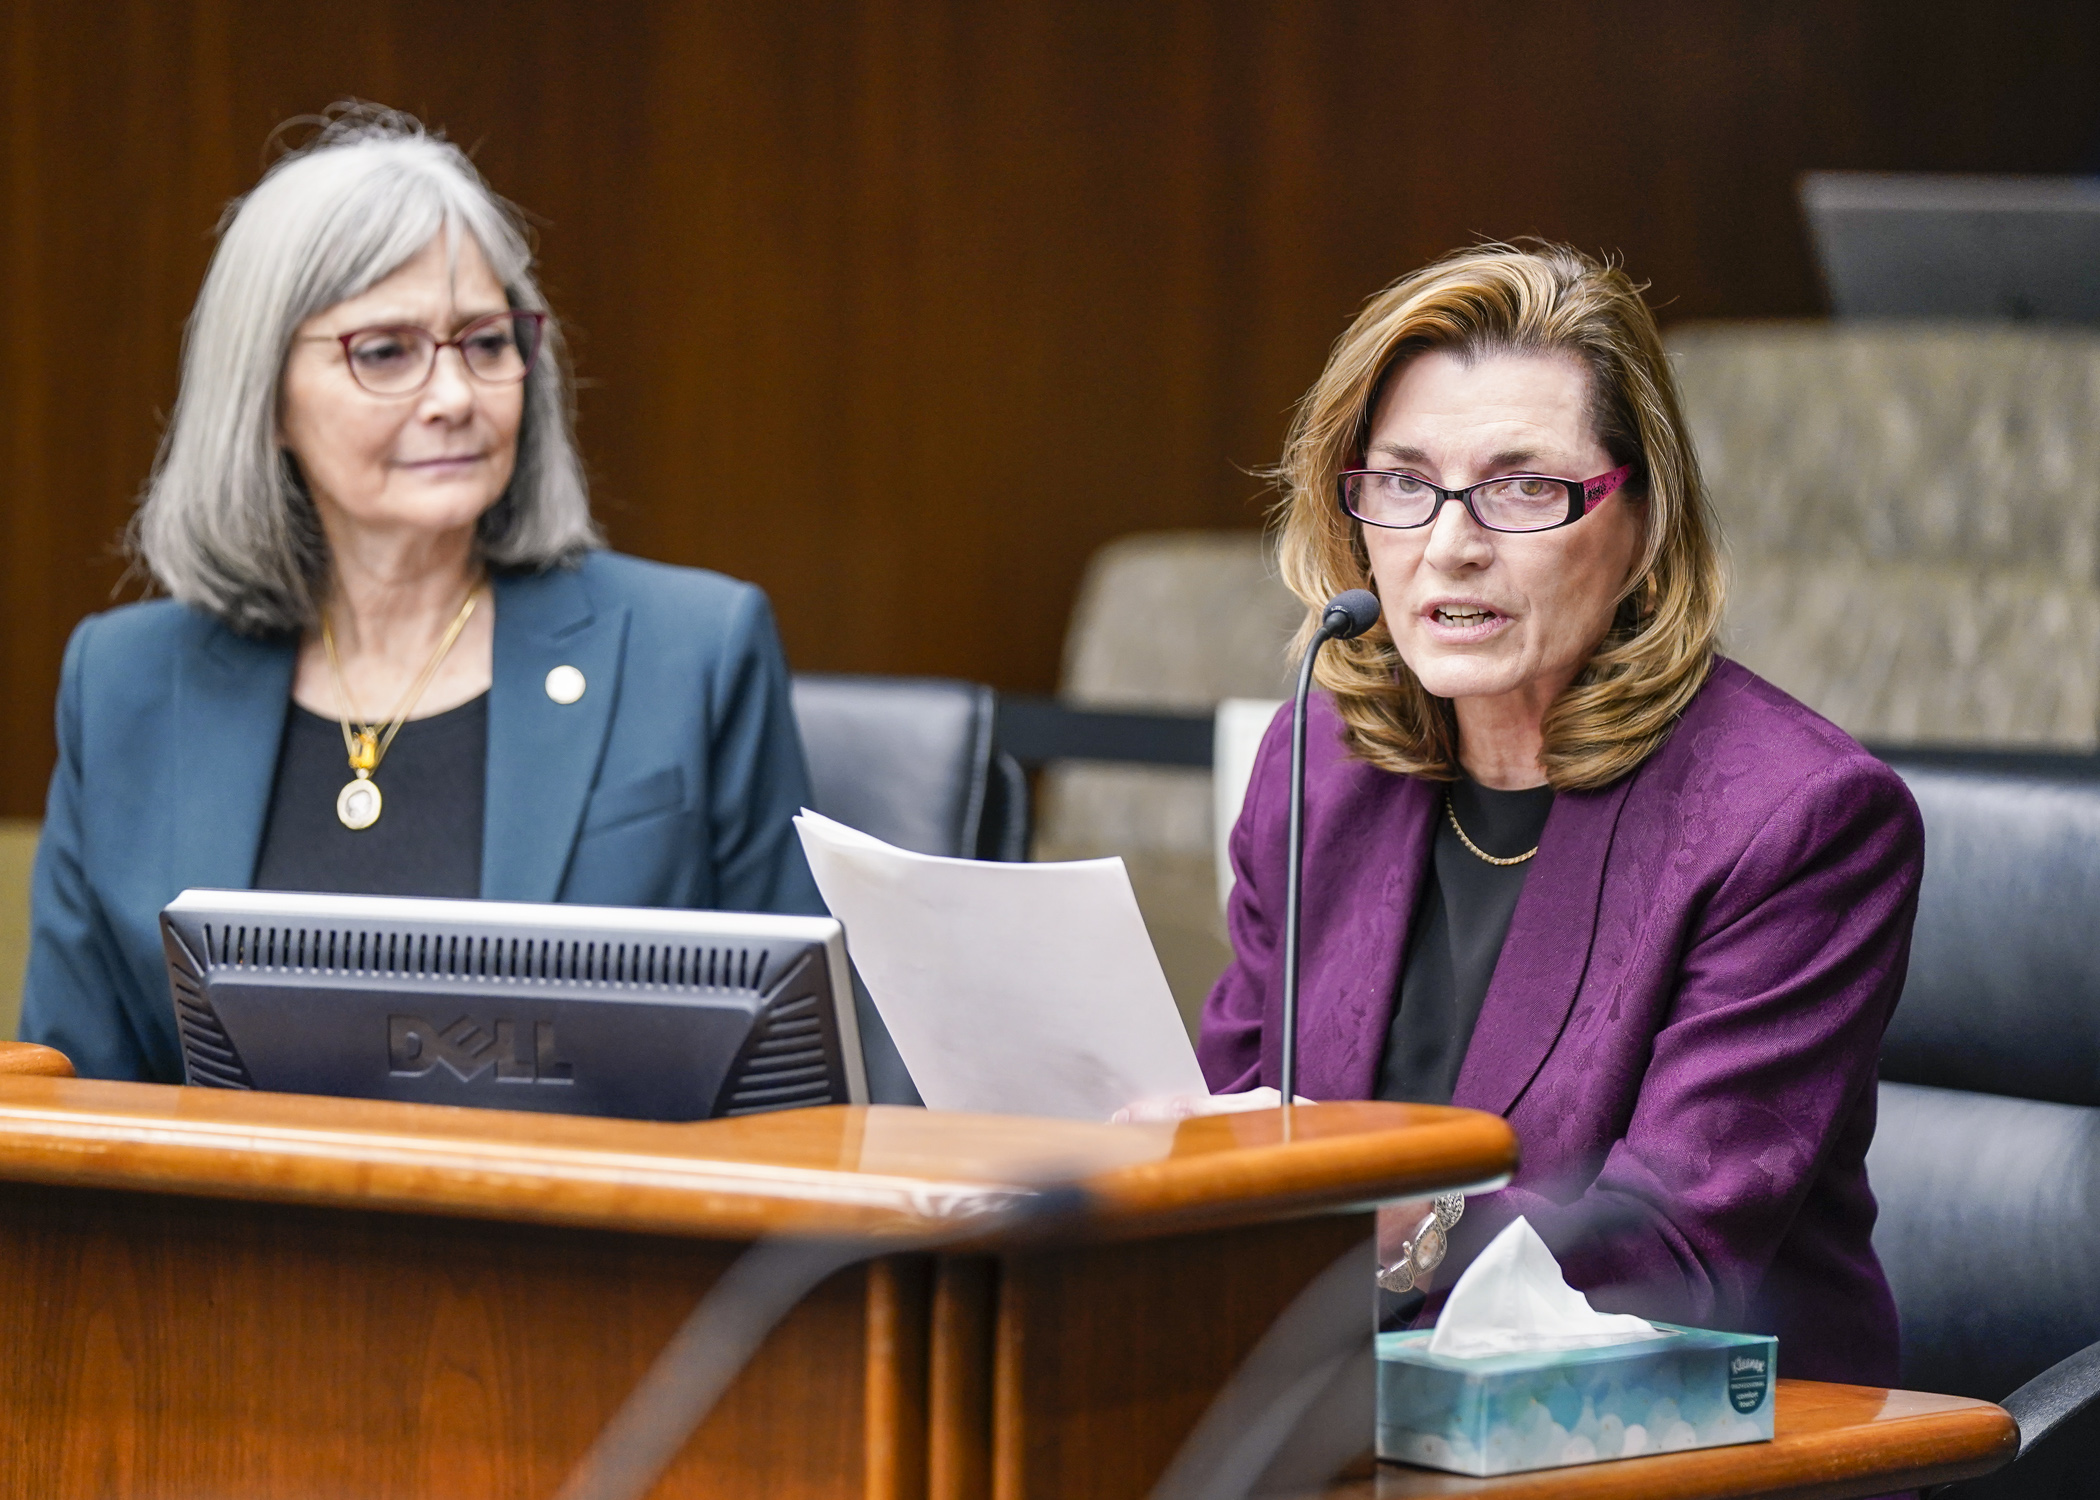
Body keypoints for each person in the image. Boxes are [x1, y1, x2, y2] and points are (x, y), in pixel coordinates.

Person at [1198, 243, 1923, 1385]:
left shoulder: (1797, 819)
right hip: (1357, 1414)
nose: (1450, 544)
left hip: (1687, 1440)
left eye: (1522, 488)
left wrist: (1408, 1222)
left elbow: (1671, 1251)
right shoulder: (1321, 762)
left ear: (1641, 527)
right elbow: (1238, 1102)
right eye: (1403, 484)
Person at [20, 108, 822, 1083]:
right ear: (266, 398)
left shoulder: (693, 651)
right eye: (387, 352)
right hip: (237, 1238)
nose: (454, 396)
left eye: (485, 343)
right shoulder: (126, 684)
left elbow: (800, 1091)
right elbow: (71, 1098)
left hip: (594, 1230)